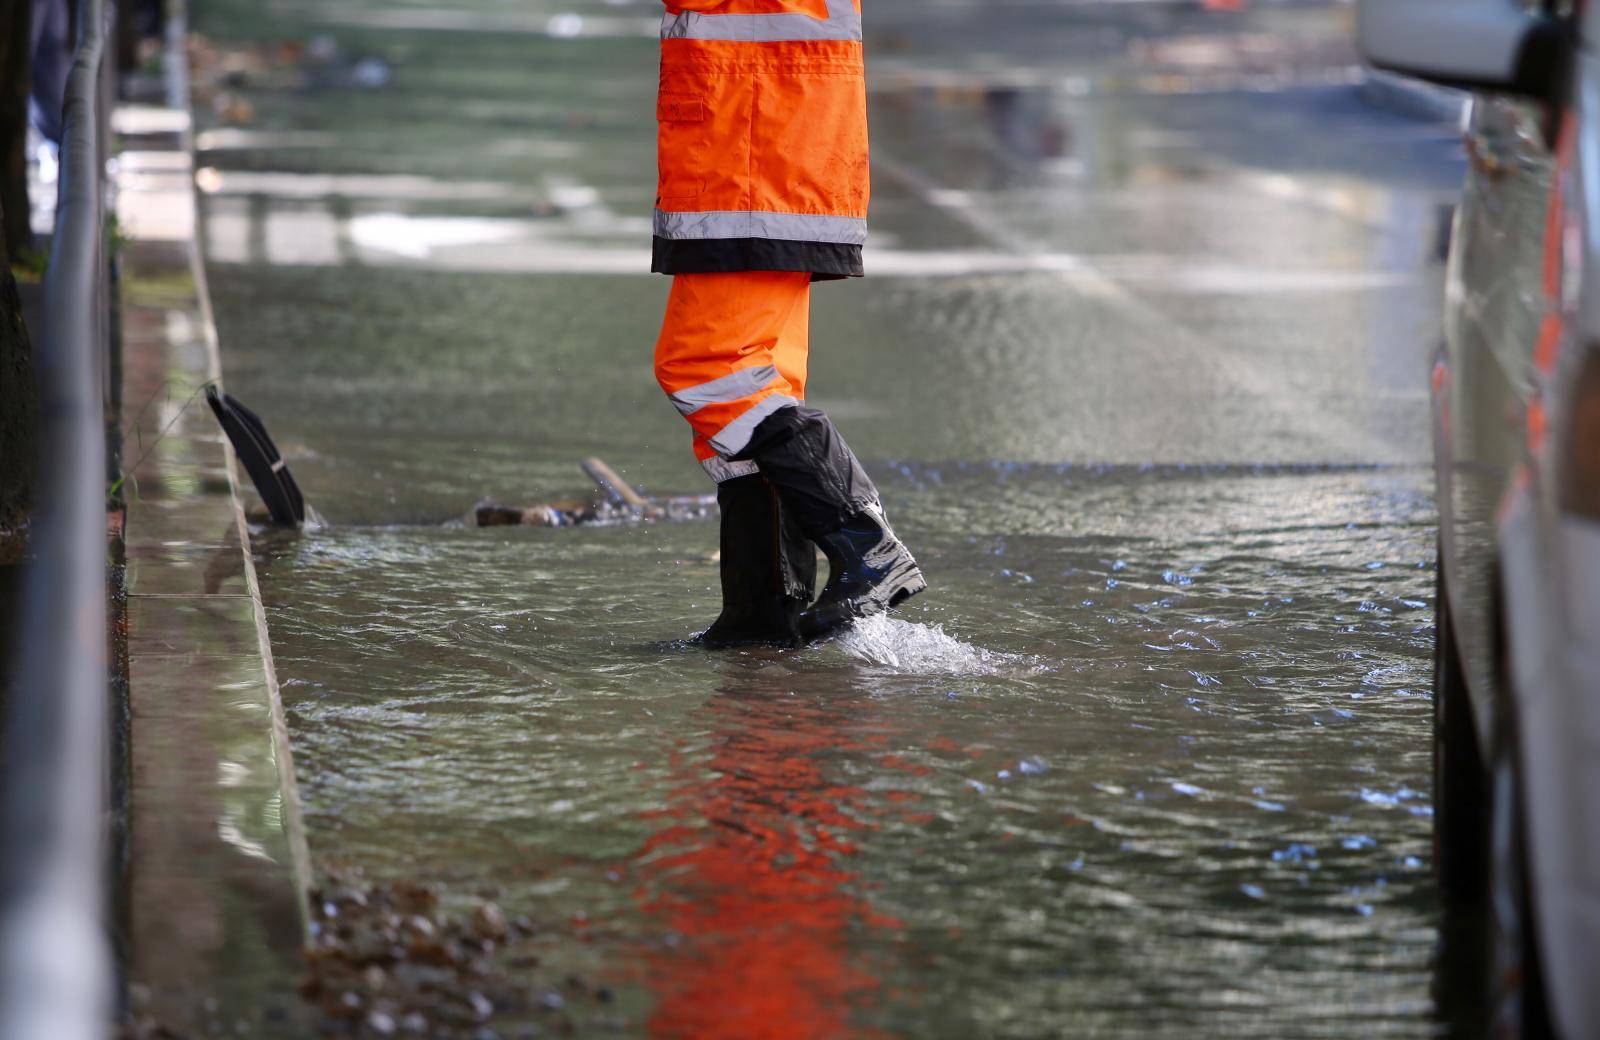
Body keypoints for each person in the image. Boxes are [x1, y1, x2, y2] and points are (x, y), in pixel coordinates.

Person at [651, 0, 925, 648]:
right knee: (753, 380)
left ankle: (868, 547)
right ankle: (764, 609)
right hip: (764, 142)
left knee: (711, 368)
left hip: (749, 145)